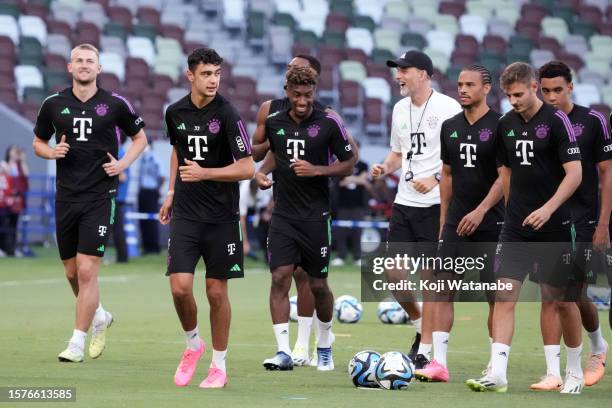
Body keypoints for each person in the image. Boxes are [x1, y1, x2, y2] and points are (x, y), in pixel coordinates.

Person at [466, 62, 583, 394]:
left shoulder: (558, 121)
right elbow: (505, 173)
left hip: (555, 225)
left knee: (561, 301)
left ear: (534, 87)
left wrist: (548, 209)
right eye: (509, 95)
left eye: (519, 94)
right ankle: (499, 372)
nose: (514, 101)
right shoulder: (505, 125)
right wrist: (510, 209)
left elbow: (575, 174)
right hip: (515, 227)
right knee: (504, 296)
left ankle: (572, 370)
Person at [32, 43, 148, 362]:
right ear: (69, 67)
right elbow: (38, 142)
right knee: (71, 272)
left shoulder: (115, 105)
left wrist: (123, 165)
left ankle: (77, 341)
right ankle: (98, 315)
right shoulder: (53, 104)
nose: (84, 65)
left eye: (90, 61)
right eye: (79, 60)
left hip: (100, 196)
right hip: (66, 196)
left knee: (86, 271)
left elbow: (141, 139)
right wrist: (50, 151)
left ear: (99, 69)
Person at [252, 54, 358, 367]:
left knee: (317, 284)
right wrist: (256, 169)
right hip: (283, 214)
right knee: (280, 277)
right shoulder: (271, 115)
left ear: (315, 87)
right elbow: (261, 149)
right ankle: (285, 351)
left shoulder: (328, 119)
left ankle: (323, 343)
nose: (301, 101)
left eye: (307, 95)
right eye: (296, 95)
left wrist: (318, 170)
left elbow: (350, 161)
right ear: (287, 89)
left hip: (316, 215)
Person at [159, 47, 254, 389]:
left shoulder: (228, 114)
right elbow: (177, 151)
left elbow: (247, 167)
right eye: (206, 74)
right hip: (185, 213)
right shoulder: (174, 112)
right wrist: (171, 192)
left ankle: (219, 365)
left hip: (222, 217)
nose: (213, 80)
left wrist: (206, 173)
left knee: (216, 293)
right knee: (180, 287)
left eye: (217, 74)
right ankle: (192, 345)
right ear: (191, 76)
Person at [371, 50, 462, 368]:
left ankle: (425, 351)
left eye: (404, 69)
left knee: (430, 279)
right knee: (392, 273)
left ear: (423, 73)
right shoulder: (398, 109)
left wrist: (435, 178)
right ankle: (419, 322)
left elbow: (458, 159)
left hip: (436, 205)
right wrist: (384, 167)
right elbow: (398, 152)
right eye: (397, 69)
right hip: (405, 201)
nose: (398, 75)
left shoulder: (449, 107)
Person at [414, 65, 504, 382]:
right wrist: (444, 221)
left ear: (487, 88)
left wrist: (480, 211)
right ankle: (439, 363)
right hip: (455, 223)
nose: (462, 89)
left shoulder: (501, 126)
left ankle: (496, 364)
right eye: (460, 84)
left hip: (493, 222)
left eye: (469, 84)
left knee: (496, 295)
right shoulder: (450, 126)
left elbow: (505, 179)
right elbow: (448, 175)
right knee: (442, 290)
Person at [530, 61, 611, 390]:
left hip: (584, 220)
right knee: (549, 296)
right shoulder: (531, 124)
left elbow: (607, 174)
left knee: (573, 296)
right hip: (548, 220)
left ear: (571, 88)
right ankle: (553, 372)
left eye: (557, 90)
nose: (551, 97)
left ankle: (596, 348)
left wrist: (603, 223)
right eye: (545, 90)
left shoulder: (592, 122)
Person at [331, 145, 370, 267]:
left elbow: (364, 180)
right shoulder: (343, 163)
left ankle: (357, 257)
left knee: (357, 231)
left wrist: (351, 179)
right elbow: (341, 182)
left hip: (358, 205)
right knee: (341, 232)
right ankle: (340, 256)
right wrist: (356, 179)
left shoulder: (363, 165)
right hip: (343, 204)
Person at [0, 146, 29, 256]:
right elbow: (6, 173)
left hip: (17, 200)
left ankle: (11, 249)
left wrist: (21, 160)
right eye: (14, 151)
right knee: (3, 225)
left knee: (14, 225)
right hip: (5, 200)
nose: (16, 153)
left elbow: (26, 175)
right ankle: (2, 248)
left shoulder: (19, 166)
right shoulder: (4, 164)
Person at [138, 143, 163, 254]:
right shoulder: (142, 159)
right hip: (143, 191)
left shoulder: (155, 158)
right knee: (143, 220)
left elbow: (162, 175)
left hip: (152, 191)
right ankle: (146, 246)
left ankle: (154, 247)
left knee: (152, 220)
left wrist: (158, 188)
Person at [112, 134, 129, 263]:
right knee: (117, 227)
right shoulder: (122, 151)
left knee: (117, 228)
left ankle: (122, 257)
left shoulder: (118, 151)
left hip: (116, 196)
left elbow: (122, 177)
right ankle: (122, 257)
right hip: (118, 195)